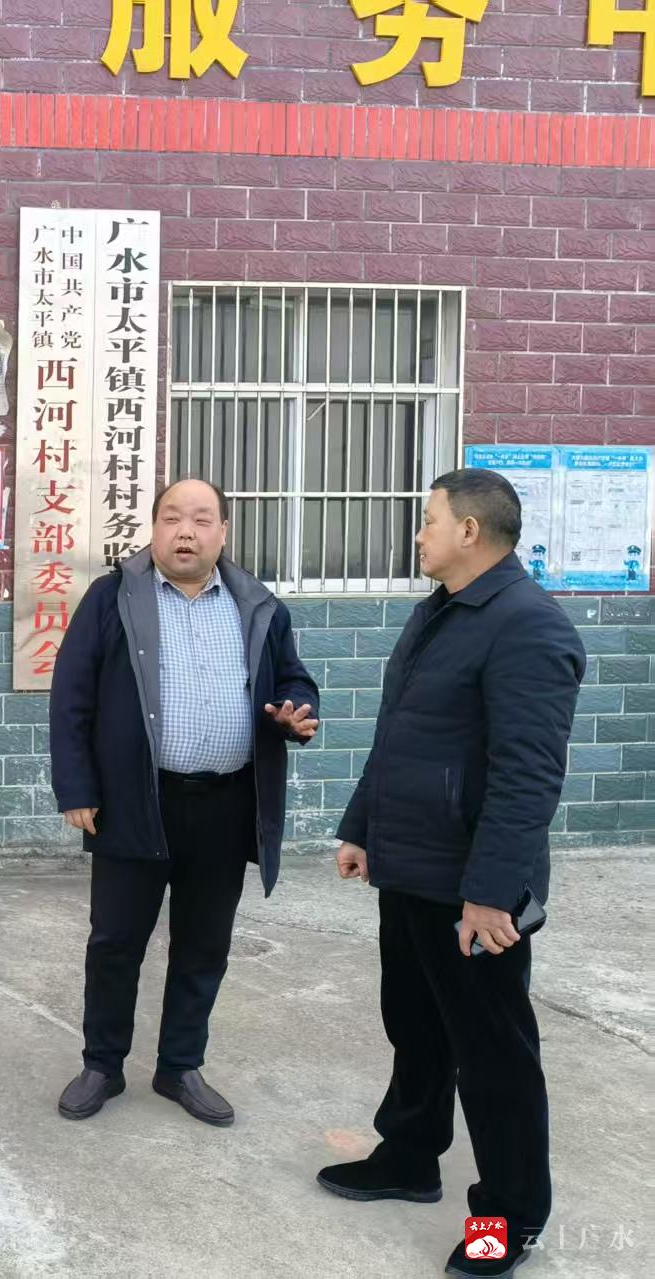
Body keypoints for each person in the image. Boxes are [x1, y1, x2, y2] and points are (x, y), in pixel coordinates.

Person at [317, 469, 583, 1278]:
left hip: (472, 893)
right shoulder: (439, 612)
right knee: (417, 1028)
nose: (418, 533)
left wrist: (491, 894)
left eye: (428, 519)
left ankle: (507, 1220)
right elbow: (400, 733)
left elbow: (527, 777)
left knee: (494, 1060)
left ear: (469, 530)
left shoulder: (528, 626)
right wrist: (363, 827)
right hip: (411, 870)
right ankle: (408, 1156)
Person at [49, 478, 319, 1127]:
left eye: (201, 519)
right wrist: (77, 788)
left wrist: (297, 711)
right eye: (172, 518)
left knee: (204, 944)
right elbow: (71, 694)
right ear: (154, 529)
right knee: (115, 941)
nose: (185, 532)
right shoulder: (113, 597)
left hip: (226, 803)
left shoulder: (258, 605)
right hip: (134, 801)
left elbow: (293, 678)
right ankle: (102, 1063)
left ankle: (179, 1065)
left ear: (223, 531)